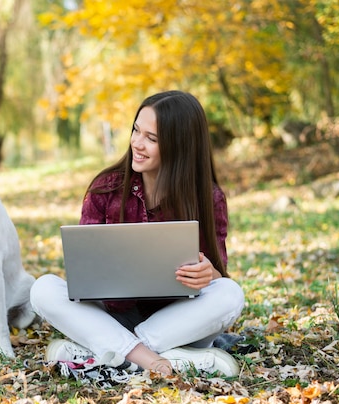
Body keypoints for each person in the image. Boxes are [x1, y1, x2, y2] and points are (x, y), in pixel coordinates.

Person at [30, 91, 245, 377]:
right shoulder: (106, 188)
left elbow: (218, 278)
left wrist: (210, 274)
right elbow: (83, 273)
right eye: (136, 130)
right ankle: (157, 361)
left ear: (180, 146)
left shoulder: (208, 197)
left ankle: (103, 353)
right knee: (42, 288)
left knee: (230, 294)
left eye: (152, 139)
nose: (137, 143)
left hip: (177, 323)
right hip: (112, 316)